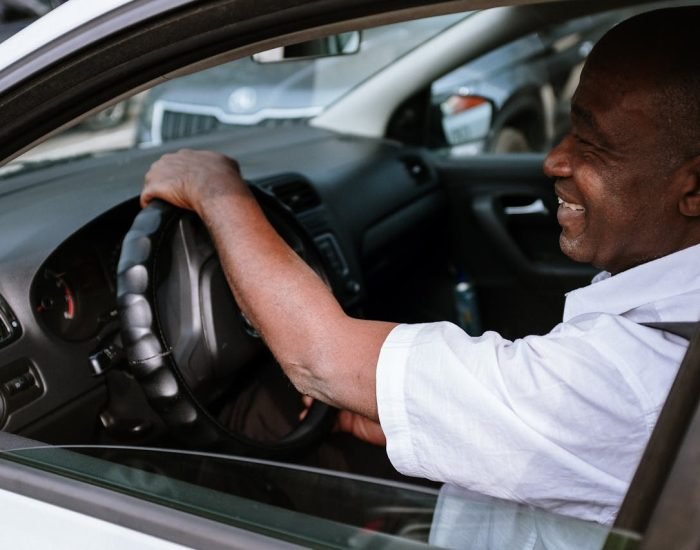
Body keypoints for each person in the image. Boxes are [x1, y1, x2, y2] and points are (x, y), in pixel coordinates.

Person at [140, 7, 700, 527]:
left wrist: (217, 192)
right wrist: (427, 418)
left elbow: (320, 359)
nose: (554, 159)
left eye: (592, 143)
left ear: (693, 187)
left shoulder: (631, 382)